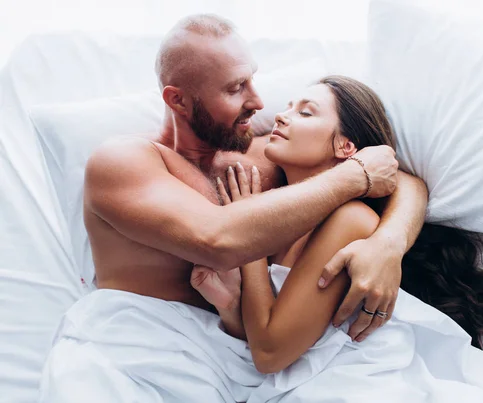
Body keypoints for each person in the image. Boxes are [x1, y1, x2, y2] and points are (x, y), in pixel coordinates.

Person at [38, 14, 427, 403]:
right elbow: (218, 238)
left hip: (231, 366)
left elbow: (397, 178)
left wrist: (389, 243)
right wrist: (354, 177)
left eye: (252, 80)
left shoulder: (267, 157)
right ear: (179, 100)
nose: (259, 103)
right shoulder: (122, 162)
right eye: (236, 88)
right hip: (130, 354)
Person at [193, 75, 483, 403]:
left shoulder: (350, 220)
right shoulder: (285, 221)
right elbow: (263, 340)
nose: (282, 115)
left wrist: (249, 237)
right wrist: (228, 308)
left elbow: (270, 353)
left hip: (357, 383)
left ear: (346, 146)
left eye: (305, 113)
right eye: (288, 107)